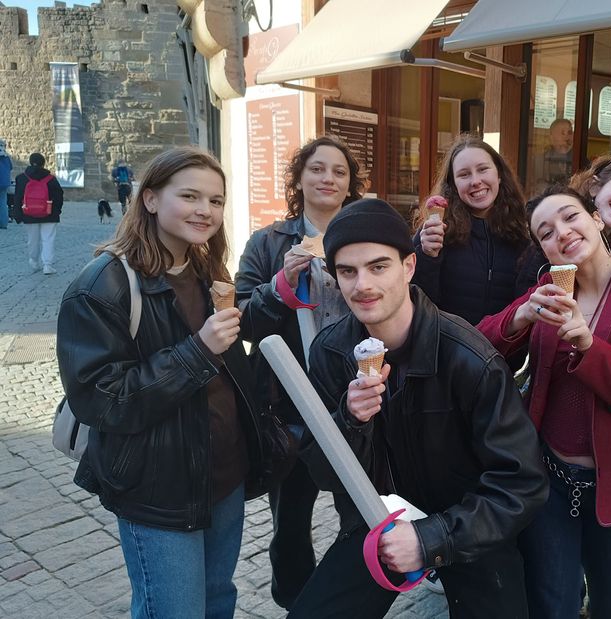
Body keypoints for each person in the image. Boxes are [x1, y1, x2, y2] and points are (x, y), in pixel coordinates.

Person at [290, 198, 548, 619]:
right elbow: (321, 471)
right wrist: (350, 422)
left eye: (378, 267)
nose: (362, 286)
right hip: (376, 522)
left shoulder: (470, 359)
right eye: (347, 271)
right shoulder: (331, 352)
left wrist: (431, 538)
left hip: (468, 523)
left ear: (409, 266)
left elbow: (521, 483)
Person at [57, 146, 267, 618]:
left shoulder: (208, 272)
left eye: (215, 201)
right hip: (158, 487)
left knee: (218, 600)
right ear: (150, 199)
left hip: (225, 475)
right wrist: (197, 350)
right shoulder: (101, 287)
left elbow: (231, 373)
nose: (205, 210)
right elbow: (102, 401)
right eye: (189, 196)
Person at [477, 186, 611, 618]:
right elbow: (478, 344)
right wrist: (520, 316)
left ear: (596, 218)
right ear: (543, 250)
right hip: (550, 481)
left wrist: (591, 348)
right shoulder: (551, 289)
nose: (563, 233)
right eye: (546, 232)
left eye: (570, 217)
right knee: (551, 601)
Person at [235, 135, 367, 609]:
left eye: (339, 171)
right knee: (290, 521)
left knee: (360, 514)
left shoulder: (362, 239)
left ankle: (341, 599)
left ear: (350, 185)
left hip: (353, 400)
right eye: (317, 169)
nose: (328, 178)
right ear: (299, 179)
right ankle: (296, 601)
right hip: (287, 406)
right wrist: (281, 283)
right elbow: (244, 320)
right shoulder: (269, 242)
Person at [413, 133, 536, 326]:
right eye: (464, 174)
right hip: (450, 350)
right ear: (453, 185)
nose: (475, 181)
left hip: (503, 352)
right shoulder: (434, 234)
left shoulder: (523, 232)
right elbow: (418, 302)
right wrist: (427, 256)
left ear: (499, 174)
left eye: (483, 169)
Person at [13, 152, 64, 274]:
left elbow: (17, 197)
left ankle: (34, 261)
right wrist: (57, 211)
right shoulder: (51, 179)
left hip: (28, 213)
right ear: (43, 163)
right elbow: (59, 196)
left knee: (32, 239)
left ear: (30, 162)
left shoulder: (21, 178)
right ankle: (47, 265)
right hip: (49, 213)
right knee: (48, 239)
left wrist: (18, 214)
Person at [0, 139, 11, 230]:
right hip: (4, 182)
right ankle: (3, 223)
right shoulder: (6, 157)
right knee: (3, 202)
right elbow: (10, 167)